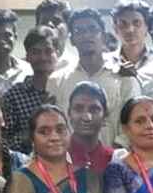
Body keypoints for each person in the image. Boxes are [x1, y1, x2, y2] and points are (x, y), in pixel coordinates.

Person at [49, 8, 138, 148]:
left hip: (116, 157)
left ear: (103, 36)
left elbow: (134, 123)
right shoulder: (57, 81)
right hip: (68, 159)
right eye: (79, 31)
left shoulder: (124, 78)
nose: (86, 35)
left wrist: (112, 155)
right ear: (72, 40)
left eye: (92, 29)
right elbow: (53, 125)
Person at [2, 29, 60, 152]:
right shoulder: (14, 96)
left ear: (58, 53)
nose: (43, 57)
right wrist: (33, 130)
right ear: (27, 56)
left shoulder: (69, 89)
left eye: (48, 51)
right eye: (36, 52)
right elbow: (5, 142)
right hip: (28, 161)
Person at [66, 81, 116, 174]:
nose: (86, 117)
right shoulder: (55, 156)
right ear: (69, 114)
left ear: (105, 116)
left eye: (94, 110)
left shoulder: (115, 159)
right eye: (78, 109)